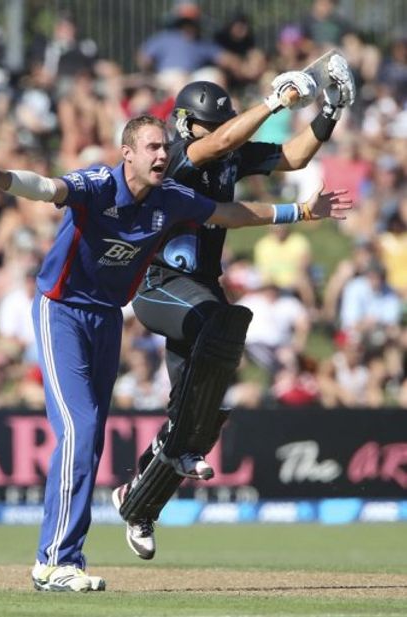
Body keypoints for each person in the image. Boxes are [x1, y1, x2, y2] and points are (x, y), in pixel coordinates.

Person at [0, 113, 351, 592]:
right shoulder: (99, 184)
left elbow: (231, 214)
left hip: (105, 319)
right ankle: (54, 562)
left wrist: (301, 213)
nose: (163, 155)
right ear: (128, 153)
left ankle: (64, 557)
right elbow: (42, 187)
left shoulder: (171, 199)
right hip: (60, 312)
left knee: (91, 439)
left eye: (165, 147)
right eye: (152, 148)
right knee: (78, 431)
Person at [113, 59, 355, 560]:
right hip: (159, 285)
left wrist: (329, 111)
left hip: (199, 288)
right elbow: (219, 145)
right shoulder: (178, 156)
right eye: (211, 123)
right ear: (185, 123)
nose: (222, 132)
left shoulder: (227, 155)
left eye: (224, 122)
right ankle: (180, 449)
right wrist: (273, 100)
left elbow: (293, 156)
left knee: (196, 421)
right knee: (219, 324)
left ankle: (138, 502)